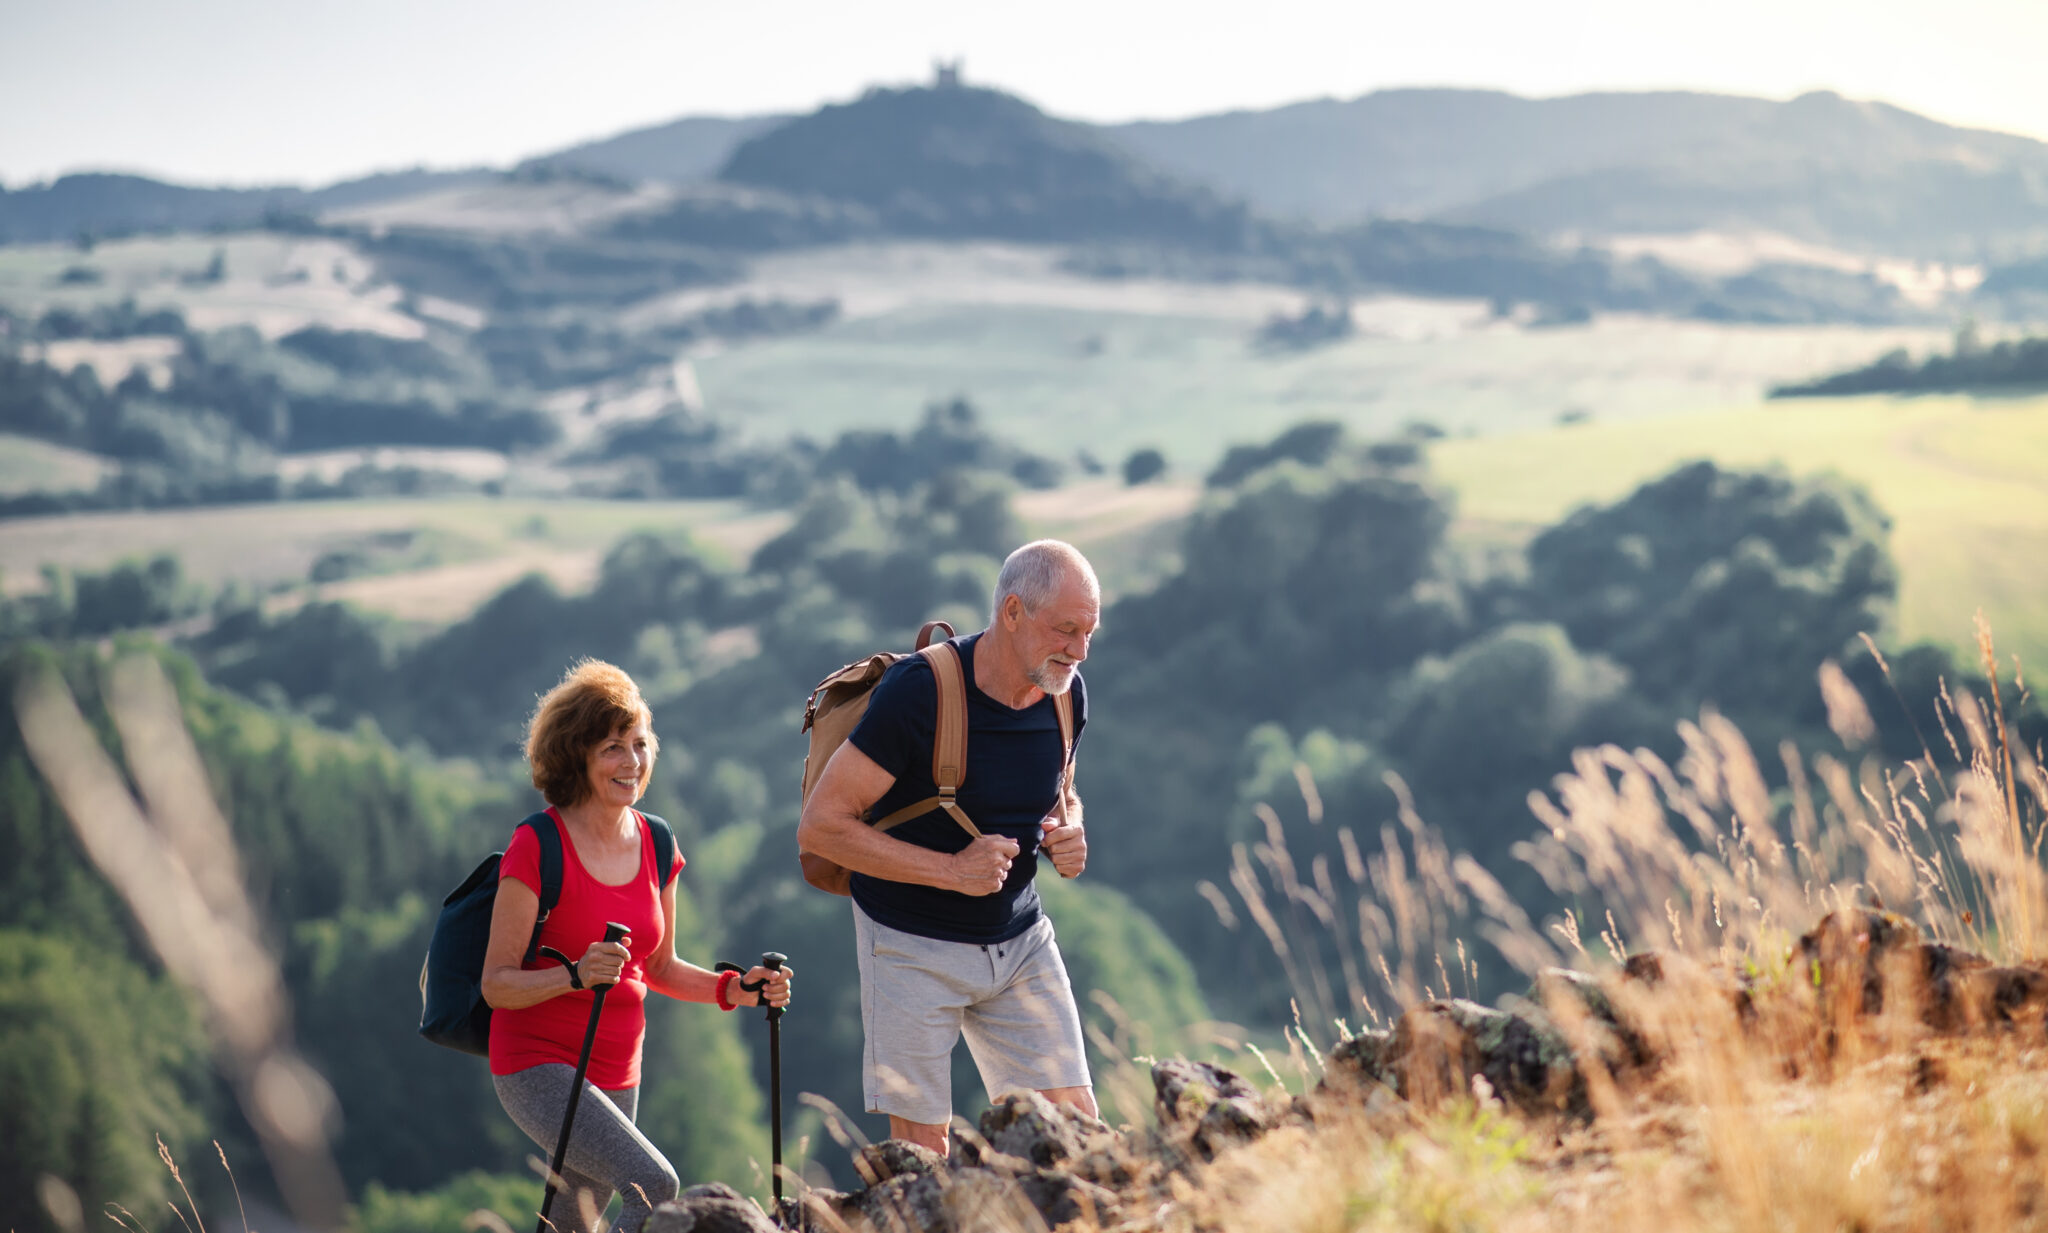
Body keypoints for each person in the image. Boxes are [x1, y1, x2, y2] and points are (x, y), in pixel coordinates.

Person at [798, 539, 1098, 1154]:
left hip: (1020, 943)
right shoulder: (919, 693)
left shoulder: (1066, 692)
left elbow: (1057, 787)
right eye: (1065, 630)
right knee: (920, 1159)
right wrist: (951, 870)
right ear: (1011, 612)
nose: (1079, 650)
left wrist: (1069, 827)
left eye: (1089, 632)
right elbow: (821, 826)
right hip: (908, 944)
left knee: (1077, 1136)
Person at [482, 660, 792, 1233]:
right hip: (537, 1063)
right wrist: (573, 975)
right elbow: (496, 983)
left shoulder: (657, 840)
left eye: (640, 744)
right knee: (653, 1185)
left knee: (571, 1224)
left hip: (619, 1068)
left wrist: (738, 990)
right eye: (612, 748)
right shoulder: (537, 844)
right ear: (577, 754)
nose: (632, 763)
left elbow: (660, 967)